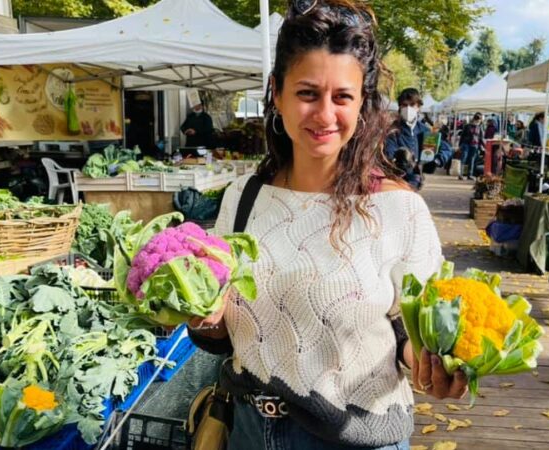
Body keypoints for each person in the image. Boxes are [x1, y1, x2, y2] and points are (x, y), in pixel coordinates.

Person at [188, 2, 467, 449]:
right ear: (276, 94)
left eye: (342, 97)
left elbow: (412, 332)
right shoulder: (243, 198)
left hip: (353, 438)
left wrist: (433, 367)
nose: (324, 114)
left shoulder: (400, 211)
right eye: (307, 93)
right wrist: (201, 318)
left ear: (362, 105)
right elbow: (224, 334)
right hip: (247, 432)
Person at [384, 88, 429, 162]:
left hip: (418, 172)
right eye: (405, 105)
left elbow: (444, 148)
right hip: (399, 171)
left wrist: (437, 160)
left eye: (412, 105)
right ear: (400, 107)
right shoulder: (393, 130)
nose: (408, 108)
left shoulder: (425, 130)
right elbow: (389, 150)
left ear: (418, 107)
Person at [458, 113, 484, 180]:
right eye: (477, 119)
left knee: (472, 160)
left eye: (479, 119)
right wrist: (460, 145)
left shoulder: (480, 127)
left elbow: (481, 138)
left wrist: (484, 146)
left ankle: (470, 174)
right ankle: (460, 174)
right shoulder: (467, 126)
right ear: (474, 118)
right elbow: (462, 136)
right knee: (464, 158)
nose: (478, 121)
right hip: (466, 144)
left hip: (475, 145)